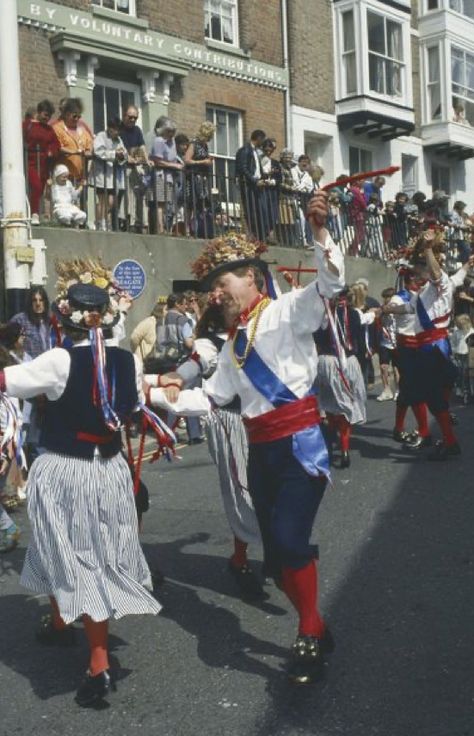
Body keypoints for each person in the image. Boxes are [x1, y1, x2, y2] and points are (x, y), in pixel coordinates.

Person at [144, 192, 344, 684]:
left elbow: (331, 282)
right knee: (276, 560)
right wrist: (162, 391)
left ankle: (310, 631)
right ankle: (314, 621)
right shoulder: (232, 345)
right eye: (212, 287)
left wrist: (320, 235)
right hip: (261, 453)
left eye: (224, 282)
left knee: (292, 541)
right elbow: (212, 399)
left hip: (300, 446)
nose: (216, 293)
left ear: (252, 278)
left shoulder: (289, 311)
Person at [0, 281, 162, 707]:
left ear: (61, 318)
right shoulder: (127, 361)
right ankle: (59, 623)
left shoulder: (57, 359)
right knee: (83, 551)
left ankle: (98, 661)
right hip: (108, 471)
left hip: (64, 470)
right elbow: (140, 404)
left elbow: (7, 380)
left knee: (72, 554)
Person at [382, 230, 460, 460]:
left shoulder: (440, 282)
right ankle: (442, 438)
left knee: (433, 397)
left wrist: (426, 249)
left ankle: (449, 442)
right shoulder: (424, 292)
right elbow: (408, 308)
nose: (416, 272)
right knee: (426, 396)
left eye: (419, 268)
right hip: (424, 349)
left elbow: (435, 273)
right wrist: (388, 309)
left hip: (432, 347)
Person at [314, 289, 368, 469]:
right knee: (346, 404)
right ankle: (344, 449)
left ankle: (329, 445)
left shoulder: (322, 315)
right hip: (349, 363)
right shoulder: (354, 314)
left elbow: (316, 338)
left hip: (327, 363)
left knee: (329, 404)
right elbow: (360, 339)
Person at [23, 99, 60, 225]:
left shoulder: (49, 130)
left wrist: (51, 151)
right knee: (36, 186)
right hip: (30, 162)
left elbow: (56, 145)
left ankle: (35, 212)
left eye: (49, 116)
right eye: (45, 114)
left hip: (44, 165)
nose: (47, 118)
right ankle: (34, 214)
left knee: (40, 191)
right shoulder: (28, 125)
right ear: (39, 112)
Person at [89, 117, 127, 231]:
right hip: (101, 174)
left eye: (119, 130)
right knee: (102, 200)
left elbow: (124, 153)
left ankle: (105, 220)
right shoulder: (101, 136)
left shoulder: (119, 140)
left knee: (111, 201)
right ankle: (100, 222)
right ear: (110, 128)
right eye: (116, 130)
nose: (117, 132)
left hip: (113, 176)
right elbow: (98, 151)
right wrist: (114, 154)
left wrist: (122, 156)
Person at [120, 105, 150, 233]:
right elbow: (118, 147)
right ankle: (127, 222)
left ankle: (140, 222)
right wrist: (128, 158)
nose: (132, 120)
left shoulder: (137, 130)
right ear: (124, 115)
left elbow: (142, 146)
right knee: (127, 196)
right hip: (123, 167)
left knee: (139, 195)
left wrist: (146, 159)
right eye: (130, 117)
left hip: (136, 166)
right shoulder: (119, 128)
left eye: (135, 118)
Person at [150, 118, 182, 234]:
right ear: (162, 130)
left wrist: (177, 165)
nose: (171, 134)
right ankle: (160, 228)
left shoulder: (172, 141)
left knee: (166, 202)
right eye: (169, 131)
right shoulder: (159, 141)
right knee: (160, 201)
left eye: (173, 131)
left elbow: (173, 157)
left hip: (169, 176)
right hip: (160, 174)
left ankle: (163, 227)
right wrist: (174, 166)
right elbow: (157, 161)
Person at [184, 121, 216, 238]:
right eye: (210, 135)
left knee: (200, 204)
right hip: (193, 177)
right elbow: (187, 160)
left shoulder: (204, 146)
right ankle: (187, 229)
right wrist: (202, 161)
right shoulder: (194, 143)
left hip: (202, 179)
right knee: (191, 203)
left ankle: (198, 229)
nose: (211, 138)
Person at [235, 129, 266, 240]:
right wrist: (254, 180)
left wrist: (263, 177)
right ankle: (251, 234)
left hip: (256, 185)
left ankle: (257, 235)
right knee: (250, 210)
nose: (263, 143)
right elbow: (243, 168)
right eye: (263, 140)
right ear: (258, 138)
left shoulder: (254, 152)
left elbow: (256, 169)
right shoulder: (245, 150)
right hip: (248, 185)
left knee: (258, 211)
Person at [52, 98, 93, 183]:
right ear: (67, 114)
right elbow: (58, 147)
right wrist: (74, 152)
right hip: (63, 177)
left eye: (79, 116)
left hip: (79, 178)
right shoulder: (57, 128)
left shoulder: (82, 130)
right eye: (74, 116)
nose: (77, 119)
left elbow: (89, 142)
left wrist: (89, 150)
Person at [376, 287, 399, 401]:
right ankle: (386, 390)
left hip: (397, 343)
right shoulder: (382, 309)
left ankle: (399, 390)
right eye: (384, 297)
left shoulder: (399, 308)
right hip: (385, 342)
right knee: (383, 367)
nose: (386, 300)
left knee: (396, 368)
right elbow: (376, 314)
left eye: (388, 297)